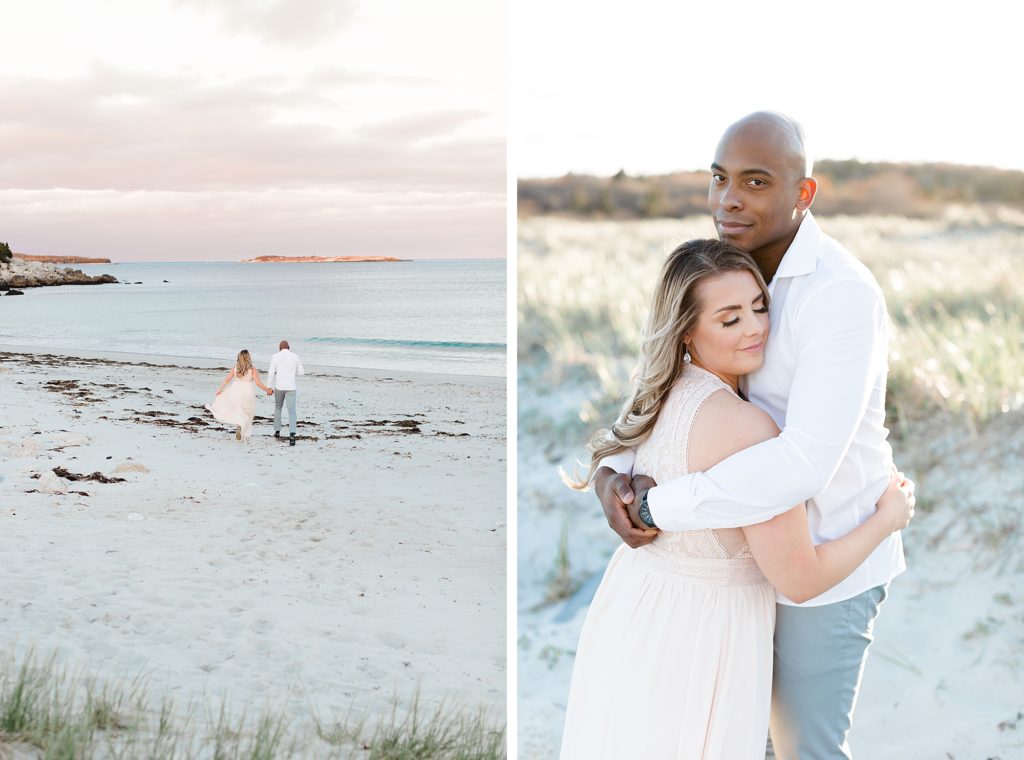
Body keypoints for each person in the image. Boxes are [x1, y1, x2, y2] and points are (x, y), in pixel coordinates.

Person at [594, 112, 910, 759]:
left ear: (803, 194)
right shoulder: (725, 275)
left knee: (802, 751)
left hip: (825, 559)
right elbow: (670, 379)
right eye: (719, 178)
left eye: (756, 181)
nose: (728, 199)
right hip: (739, 569)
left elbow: (803, 464)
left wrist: (657, 506)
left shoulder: (838, 296)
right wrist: (611, 477)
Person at [205, 349, 273, 443]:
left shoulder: (235, 368)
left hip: (236, 391)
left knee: (238, 410)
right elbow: (258, 383)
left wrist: (219, 390)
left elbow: (227, 380)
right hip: (248, 392)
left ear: (239, 358)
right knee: (248, 413)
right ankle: (243, 431)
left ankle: (239, 426)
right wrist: (268, 390)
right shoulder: (252, 369)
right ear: (248, 358)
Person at [267, 339, 304, 446]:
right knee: (292, 410)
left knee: (278, 407)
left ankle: (277, 431)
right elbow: (301, 372)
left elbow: (270, 373)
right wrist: (292, 372)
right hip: (291, 386)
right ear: (289, 348)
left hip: (279, 386)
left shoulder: (275, 356)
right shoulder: (295, 356)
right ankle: (292, 434)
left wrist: (269, 387)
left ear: (279, 348)